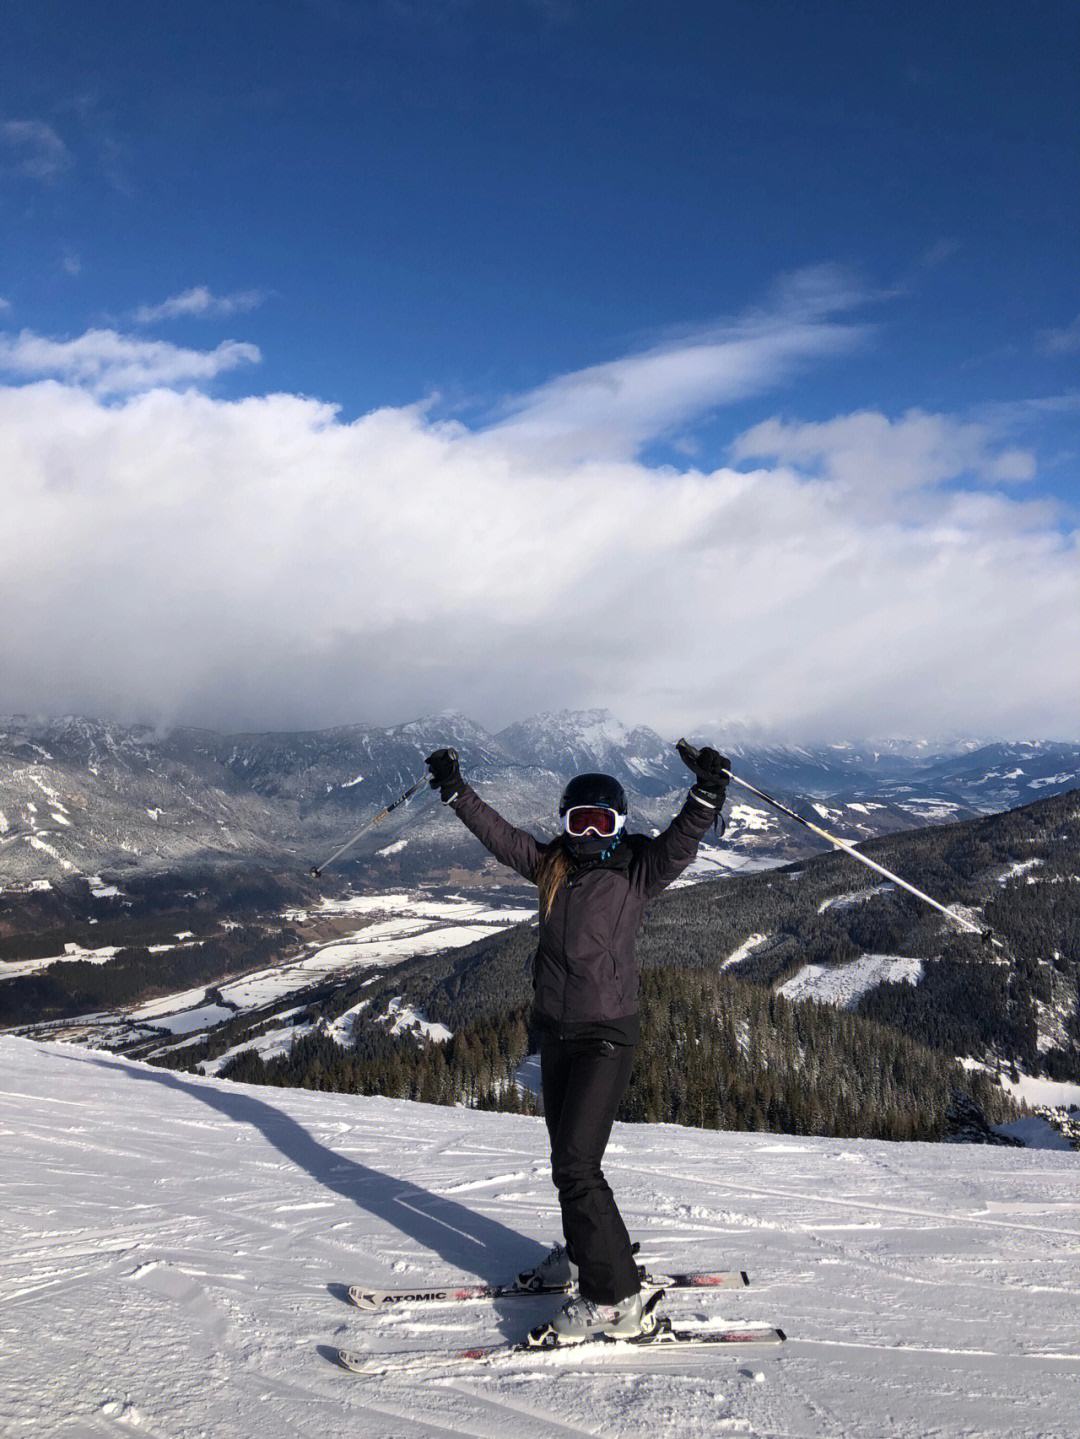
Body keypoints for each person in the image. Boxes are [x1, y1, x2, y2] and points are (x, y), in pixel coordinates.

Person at [424, 741, 730, 1342]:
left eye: (601, 822)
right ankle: (584, 1251)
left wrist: (707, 792)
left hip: (606, 1036)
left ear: (619, 826)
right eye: (577, 821)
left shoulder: (636, 871)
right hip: (556, 1033)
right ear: (564, 824)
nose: (588, 833)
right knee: (567, 1161)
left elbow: (682, 839)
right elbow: (500, 836)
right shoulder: (550, 867)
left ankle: (615, 1297)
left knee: (577, 1165)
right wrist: (455, 789)